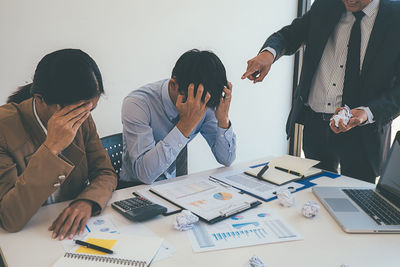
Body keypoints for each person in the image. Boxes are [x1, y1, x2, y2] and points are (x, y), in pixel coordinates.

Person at [242, 0, 400, 183]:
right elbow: (291, 34)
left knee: (356, 204)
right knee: (314, 198)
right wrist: (268, 54)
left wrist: (367, 112)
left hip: (363, 134)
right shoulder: (326, 4)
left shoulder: (396, 16)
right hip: (315, 126)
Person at [0, 49, 117, 239]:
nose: (84, 117)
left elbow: (105, 172)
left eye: (91, 109)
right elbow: (10, 218)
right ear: (40, 100)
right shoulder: (4, 128)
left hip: (71, 234)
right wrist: (51, 148)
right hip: (24, 236)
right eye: (76, 110)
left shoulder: (83, 118)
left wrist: (87, 201)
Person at [120, 49, 236, 184]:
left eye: (205, 104)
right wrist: (185, 125)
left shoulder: (206, 101)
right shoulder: (137, 104)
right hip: (134, 189)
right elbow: (145, 175)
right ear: (173, 85)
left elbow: (227, 159)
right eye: (195, 101)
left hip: (176, 186)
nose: (199, 108)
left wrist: (223, 120)